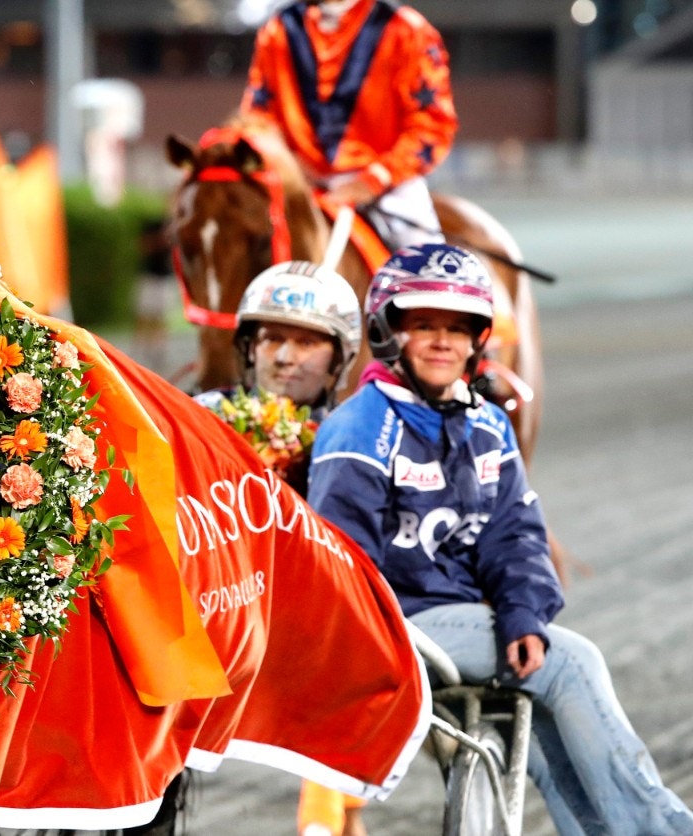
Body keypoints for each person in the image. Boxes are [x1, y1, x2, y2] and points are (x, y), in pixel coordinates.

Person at [307, 243, 693, 835]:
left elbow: (515, 534)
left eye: (458, 329)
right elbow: (341, 565)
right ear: (387, 332)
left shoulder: (487, 423)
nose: (443, 342)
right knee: (574, 662)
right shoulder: (359, 427)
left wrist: (522, 615)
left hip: (461, 625)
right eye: (425, 325)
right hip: (392, 629)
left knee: (538, 718)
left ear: (477, 340)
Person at [197, 260, 368, 836]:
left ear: (341, 359)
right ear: (249, 347)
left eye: (305, 341)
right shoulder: (202, 418)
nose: (284, 356)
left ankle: (321, 822)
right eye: (271, 337)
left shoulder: (361, 432)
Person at [240, 0, 456, 252]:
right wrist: (291, 168)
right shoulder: (277, 28)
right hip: (300, 183)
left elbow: (433, 124)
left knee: (424, 265)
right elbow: (257, 120)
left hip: (387, 185)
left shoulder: (406, 29)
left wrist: (374, 180)